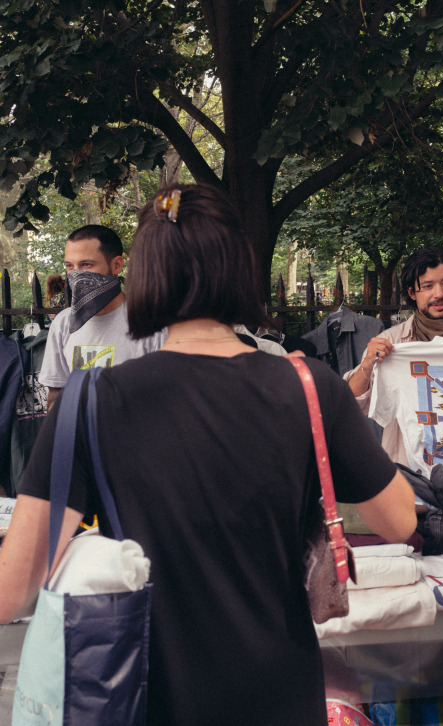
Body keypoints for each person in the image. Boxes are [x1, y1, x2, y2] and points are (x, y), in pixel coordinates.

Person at [0, 185, 417, 725]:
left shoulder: (88, 401)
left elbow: (13, 589)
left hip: (149, 695)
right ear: (238, 269)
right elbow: (401, 519)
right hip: (280, 693)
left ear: (142, 276)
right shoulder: (310, 388)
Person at [344, 246, 443, 465]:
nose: (439, 294)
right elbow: (350, 403)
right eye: (427, 286)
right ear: (412, 293)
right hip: (412, 477)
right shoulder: (391, 344)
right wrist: (367, 365)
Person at [38, 224, 165, 409]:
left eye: (86, 264)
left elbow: (166, 396)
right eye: (70, 266)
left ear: (117, 266)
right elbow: (56, 393)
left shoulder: (150, 323)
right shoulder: (64, 323)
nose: (76, 275)